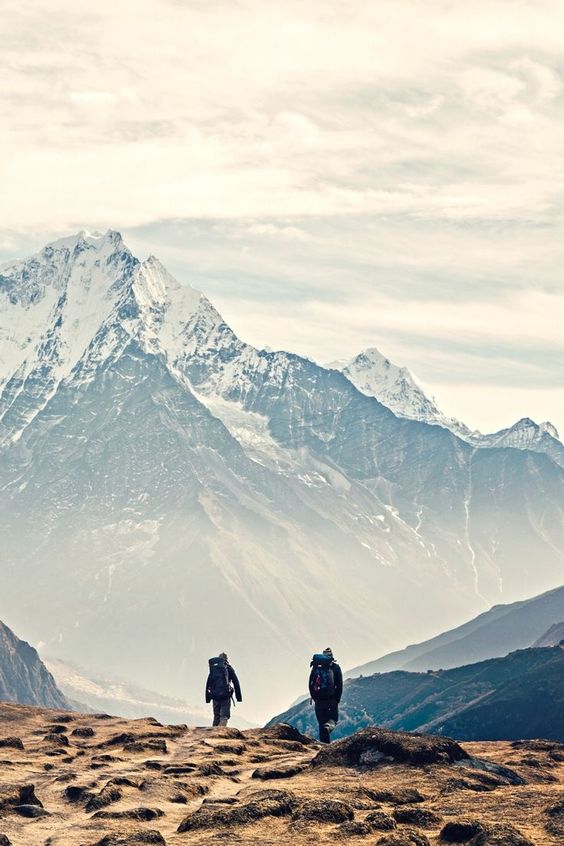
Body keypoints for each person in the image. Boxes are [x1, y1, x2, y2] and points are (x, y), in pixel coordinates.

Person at [309, 647, 343, 743]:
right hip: (331, 700)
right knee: (333, 719)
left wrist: (315, 698)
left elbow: (310, 684)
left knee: (321, 723)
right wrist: (337, 700)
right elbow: (339, 685)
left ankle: (324, 746)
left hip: (318, 701)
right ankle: (328, 727)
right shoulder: (335, 667)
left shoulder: (316, 667)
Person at [205, 652, 242, 727]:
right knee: (224, 716)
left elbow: (208, 683)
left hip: (215, 696)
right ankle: (220, 732)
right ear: (226, 659)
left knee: (216, 716)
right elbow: (236, 682)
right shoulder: (229, 668)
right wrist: (238, 697)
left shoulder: (214, 669)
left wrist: (208, 698)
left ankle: (213, 733)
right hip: (225, 695)